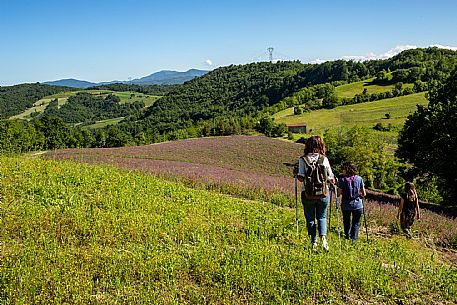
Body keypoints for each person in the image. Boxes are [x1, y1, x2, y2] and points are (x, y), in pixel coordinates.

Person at [296, 135, 335, 251]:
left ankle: (314, 242)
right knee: (322, 216)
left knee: (310, 218)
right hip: (323, 193)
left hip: (307, 193)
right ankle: (324, 240)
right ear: (320, 145)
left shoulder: (303, 160)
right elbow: (330, 177)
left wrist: (296, 174)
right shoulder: (324, 159)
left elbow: (301, 178)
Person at [337, 162, 366, 242]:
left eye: (343, 169)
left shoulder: (342, 180)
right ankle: (354, 239)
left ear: (346, 170)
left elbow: (338, 194)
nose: (342, 171)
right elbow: (364, 193)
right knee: (356, 223)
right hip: (358, 205)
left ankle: (347, 236)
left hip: (346, 205)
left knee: (346, 221)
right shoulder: (359, 179)